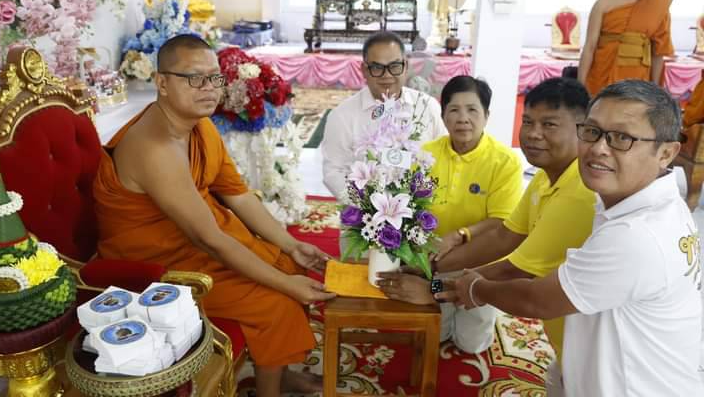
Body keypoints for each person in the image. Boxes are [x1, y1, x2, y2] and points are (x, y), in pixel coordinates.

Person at [93, 35, 335, 397]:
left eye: (214, 77)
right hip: (156, 267)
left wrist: (291, 244)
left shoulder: (200, 126)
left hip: (198, 242)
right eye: (194, 78)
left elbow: (238, 195)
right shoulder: (154, 147)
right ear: (162, 82)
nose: (209, 88)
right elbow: (209, 239)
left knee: (287, 263)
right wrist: (287, 286)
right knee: (278, 300)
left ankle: (277, 375)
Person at [436, 80, 703, 396]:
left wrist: (447, 284)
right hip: (591, 360)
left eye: (622, 138)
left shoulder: (632, 232)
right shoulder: (628, 199)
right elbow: (506, 235)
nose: (599, 147)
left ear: (666, 152)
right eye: (592, 131)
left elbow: (531, 291)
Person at [379, 78, 594, 386]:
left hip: (596, 347)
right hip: (567, 336)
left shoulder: (576, 193)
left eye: (549, 124)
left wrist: (432, 287)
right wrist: (427, 266)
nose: (534, 134)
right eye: (528, 122)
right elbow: (504, 237)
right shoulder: (544, 178)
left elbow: (514, 270)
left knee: (472, 343)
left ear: (583, 130)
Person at [380, 75, 522, 353]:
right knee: (437, 334)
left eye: (472, 110)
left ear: (486, 115)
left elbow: (501, 222)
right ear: (443, 116)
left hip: (479, 262)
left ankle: (479, 306)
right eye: (454, 110)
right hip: (430, 261)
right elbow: (406, 205)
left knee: (471, 344)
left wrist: (461, 235)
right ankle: (441, 300)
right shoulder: (425, 154)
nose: (463, 118)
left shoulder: (505, 162)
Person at [321, 31, 447, 203]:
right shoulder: (342, 116)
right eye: (377, 67)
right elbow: (333, 172)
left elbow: (445, 158)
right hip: (365, 215)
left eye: (394, 66)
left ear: (406, 66)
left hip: (422, 211)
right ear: (364, 70)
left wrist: (422, 202)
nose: (387, 75)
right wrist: (367, 206)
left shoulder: (427, 107)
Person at [579, 0, 674, 96]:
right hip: (604, 71)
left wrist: (655, 89)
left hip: (639, 77)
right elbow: (589, 46)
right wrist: (580, 85)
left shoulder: (659, 5)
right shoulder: (603, 3)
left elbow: (658, 52)